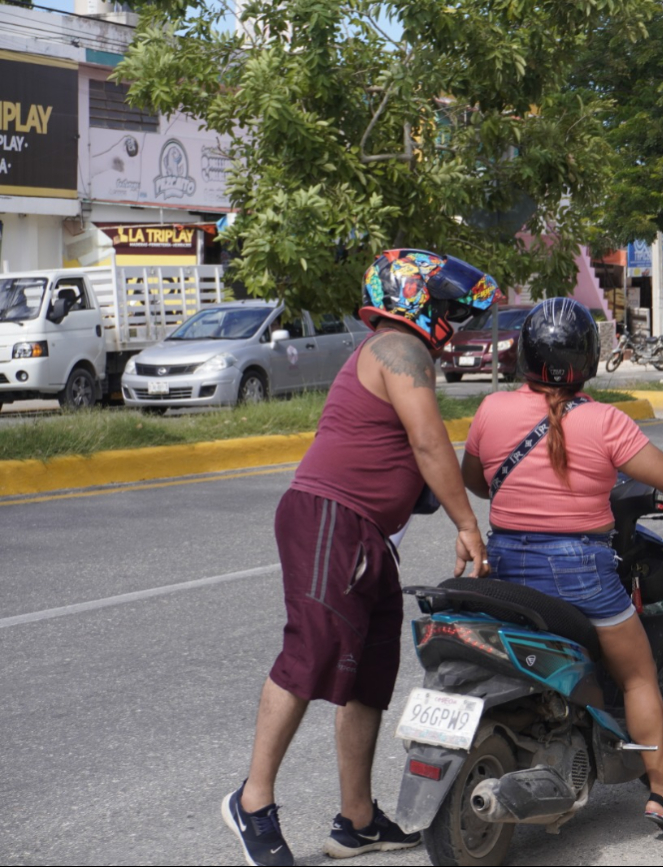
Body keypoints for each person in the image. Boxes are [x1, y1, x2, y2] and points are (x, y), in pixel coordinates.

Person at [221, 249, 501, 866]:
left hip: (368, 533)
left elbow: (413, 453)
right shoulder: (398, 349)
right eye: (445, 306)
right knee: (311, 652)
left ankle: (358, 820)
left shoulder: (395, 352)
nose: (453, 320)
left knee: (368, 675)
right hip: (331, 518)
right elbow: (429, 443)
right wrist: (467, 526)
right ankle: (253, 799)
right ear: (414, 300)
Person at [461, 297, 663, 839]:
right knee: (639, 675)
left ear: (523, 353)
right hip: (580, 570)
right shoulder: (604, 420)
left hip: (504, 564)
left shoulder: (491, 411)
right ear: (589, 359)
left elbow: (477, 482)